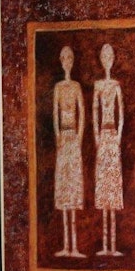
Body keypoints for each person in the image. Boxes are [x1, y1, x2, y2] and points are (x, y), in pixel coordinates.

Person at [52, 46, 86, 258]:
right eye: (64, 58)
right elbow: (55, 114)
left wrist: (79, 138)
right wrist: (58, 137)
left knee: (73, 187)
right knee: (64, 188)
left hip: (73, 138)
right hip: (63, 140)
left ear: (72, 62)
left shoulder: (75, 86)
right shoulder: (58, 87)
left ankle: (75, 246)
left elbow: (82, 112)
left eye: (70, 58)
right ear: (61, 61)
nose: (67, 62)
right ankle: (66, 245)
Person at [92, 43, 124, 256]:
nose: (107, 60)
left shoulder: (116, 85)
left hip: (112, 137)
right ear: (101, 59)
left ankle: (113, 245)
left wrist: (118, 135)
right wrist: (97, 136)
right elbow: (94, 112)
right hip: (103, 137)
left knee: (113, 185)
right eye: (104, 56)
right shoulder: (98, 86)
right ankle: (105, 246)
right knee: (104, 185)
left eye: (109, 56)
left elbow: (121, 113)